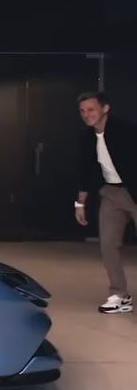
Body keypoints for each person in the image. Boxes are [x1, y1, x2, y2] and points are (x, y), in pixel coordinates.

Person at [74, 91, 134, 314]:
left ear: (104, 109)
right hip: (111, 192)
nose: (86, 115)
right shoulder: (86, 137)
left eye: (91, 109)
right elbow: (86, 172)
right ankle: (120, 295)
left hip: (134, 192)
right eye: (82, 111)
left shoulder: (126, 131)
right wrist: (80, 204)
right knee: (108, 244)